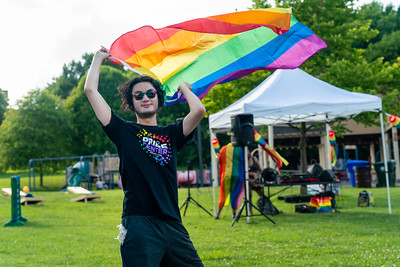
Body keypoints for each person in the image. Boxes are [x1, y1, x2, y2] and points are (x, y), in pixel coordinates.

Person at [84, 48, 205, 267]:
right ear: (131, 103)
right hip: (139, 224)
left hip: (172, 223)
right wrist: (98, 59)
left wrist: (184, 89)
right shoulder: (123, 131)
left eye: (150, 93)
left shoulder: (172, 134)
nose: (145, 98)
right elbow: (90, 90)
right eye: (138, 95)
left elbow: (198, 111)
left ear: (159, 99)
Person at [247, 150, 263, 215]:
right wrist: (252, 173)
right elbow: (242, 172)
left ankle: (268, 209)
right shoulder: (243, 161)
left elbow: (260, 169)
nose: (247, 152)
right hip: (247, 181)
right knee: (249, 196)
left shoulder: (254, 159)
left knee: (262, 195)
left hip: (256, 181)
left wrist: (262, 174)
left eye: (248, 151)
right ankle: (251, 213)